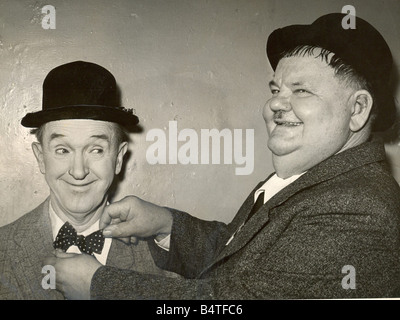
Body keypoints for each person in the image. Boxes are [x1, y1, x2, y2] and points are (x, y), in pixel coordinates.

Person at [46, 13, 400, 299]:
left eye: (301, 90)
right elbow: (241, 258)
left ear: (357, 110)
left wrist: (99, 286)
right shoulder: (312, 182)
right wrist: (166, 224)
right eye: (275, 89)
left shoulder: (358, 208)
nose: (275, 102)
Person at [0, 61, 175, 300]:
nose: (79, 171)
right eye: (62, 150)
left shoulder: (165, 258)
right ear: (41, 158)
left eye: (96, 150)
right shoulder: (4, 250)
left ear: (118, 158)